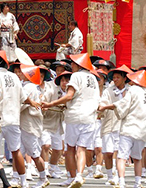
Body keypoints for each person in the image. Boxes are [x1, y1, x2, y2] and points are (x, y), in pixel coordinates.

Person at [41, 53, 100, 188]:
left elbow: (69, 96)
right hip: (90, 117)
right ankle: (78, 176)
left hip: (75, 116)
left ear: (79, 65)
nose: (71, 66)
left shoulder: (76, 76)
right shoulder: (94, 79)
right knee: (82, 149)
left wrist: (50, 104)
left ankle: (71, 177)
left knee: (70, 149)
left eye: (73, 63)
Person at [0, 51, 36, 188]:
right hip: (13, 118)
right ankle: (24, 181)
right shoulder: (14, 76)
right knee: (16, 151)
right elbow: (24, 97)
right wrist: (34, 103)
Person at [99, 70, 146, 188]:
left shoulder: (133, 90)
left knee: (122, 157)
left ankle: (121, 181)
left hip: (130, 127)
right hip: (143, 131)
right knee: (137, 157)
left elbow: (122, 104)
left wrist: (105, 107)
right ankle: (137, 182)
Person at [15, 64, 49, 188]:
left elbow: (21, 102)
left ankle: (43, 177)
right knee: (17, 151)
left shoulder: (29, 87)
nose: (19, 74)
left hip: (29, 123)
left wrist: (11, 110)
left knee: (34, 153)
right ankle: (18, 178)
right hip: (25, 122)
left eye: (21, 72)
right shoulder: (30, 86)